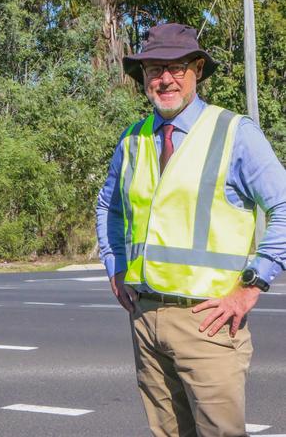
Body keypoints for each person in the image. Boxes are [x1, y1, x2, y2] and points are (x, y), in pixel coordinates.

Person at [96, 23, 286, 437]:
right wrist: (115, 265)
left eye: (176, 67)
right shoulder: (132, 140)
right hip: (145, 316)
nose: (164, 78)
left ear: (197, 69)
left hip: (210, 322)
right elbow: (109, 206)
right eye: (153, 69)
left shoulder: (234, 134)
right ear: (142, 77)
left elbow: (284, 205)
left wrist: (252, 286)